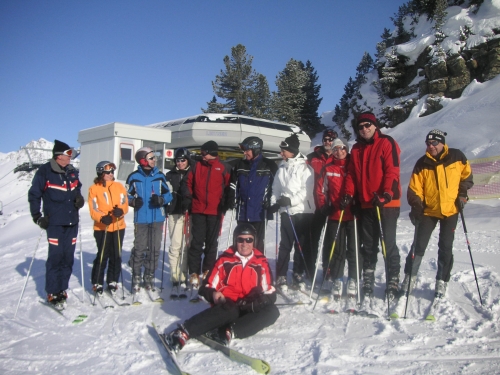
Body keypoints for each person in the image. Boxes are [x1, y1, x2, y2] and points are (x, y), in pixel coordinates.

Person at [164, 223, 279, 352]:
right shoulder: (225, 260)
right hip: (228, 307)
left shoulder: (260, 262)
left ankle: (228, 331)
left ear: (254, 241)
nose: (244, 244)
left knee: (273, 311)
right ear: (235, 241)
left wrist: (259, 302)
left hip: (249, 306)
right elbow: (206, 286)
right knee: (230, 310)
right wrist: (213, 294)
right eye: (240, 240)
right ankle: (183, 332)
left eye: (249, 240)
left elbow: (270, 291)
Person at [403, 129, 473, 299]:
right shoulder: (422, 163)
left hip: (451, 210)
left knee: (446, 246)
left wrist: (462, 194)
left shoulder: (457, 157)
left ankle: (442, 280)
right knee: (418, 246)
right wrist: (416, 207)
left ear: (442, 143)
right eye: (428, 143)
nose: (431, 146)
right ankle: (409, 277)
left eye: (434, 143)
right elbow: (414, 189)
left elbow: (467, 176)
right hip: (428, 211)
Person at [342, 112, 402, 300]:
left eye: (368, 125)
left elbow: (392, 171)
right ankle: (368, 276)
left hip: (387, 203)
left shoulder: (386, 142)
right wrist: (349, 194)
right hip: (367, 203)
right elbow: (351, 175)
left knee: (388, 243)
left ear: (375, 126)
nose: (365, 129)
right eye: (361, 126)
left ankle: (392, 278)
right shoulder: (357, 149)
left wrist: (386, 194)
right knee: (368, 244)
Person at [28, 140, 85, 305]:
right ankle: (52, 291)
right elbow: (34, 195)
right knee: (56, 257)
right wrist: (38, 217)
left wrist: (79, 199)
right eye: (68, 155)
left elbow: (77, 188)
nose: (70, 158)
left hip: (72, 221)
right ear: (58, 156)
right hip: (54, 223)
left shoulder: (71, 171)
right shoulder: (45, 171)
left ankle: (62, 289)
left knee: (68, 257)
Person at [181, 140, 231, 289]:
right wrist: (189, 198)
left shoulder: (223, 167)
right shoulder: (196, 166)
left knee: (211, 243)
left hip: (215, 211)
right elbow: (186, 183)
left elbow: (229, 187)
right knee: (196, 243)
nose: (202, 156)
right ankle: (194, 273)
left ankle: (208, 272)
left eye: (204, 153)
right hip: (197, 210)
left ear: (212, 153)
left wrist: (226, 201)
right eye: (201, 153)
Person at [315, 138, 362, 300]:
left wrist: (359, 204)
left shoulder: (353, 166)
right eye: (335, 149)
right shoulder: (328, 168)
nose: (339, 152)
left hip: (353, 215)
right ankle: (337, 278)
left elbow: (360, 186)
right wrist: (323, 206)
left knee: (354, 249)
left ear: (346, 149)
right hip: (336, 214)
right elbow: (321, 190)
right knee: (337, 249)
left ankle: (354, 279)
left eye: (342, 148)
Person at [269, 133, 315, 291]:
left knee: (300, 243)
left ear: (292, 150)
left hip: (302, 210)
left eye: (284, 150)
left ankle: (298, 272)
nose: (281, 153)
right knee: (285, 244)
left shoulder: (305, 167)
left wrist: (290, 200)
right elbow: (275, 188)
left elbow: (306, 191)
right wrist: (274, 202)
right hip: (286, 210)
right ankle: (281, 274)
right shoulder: (281, 167)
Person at [126, 147, 172, 291]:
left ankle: (149, 274)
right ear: (143, 160)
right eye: (151, 158)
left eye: (154, 157)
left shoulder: (160, 176)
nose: (155, 160)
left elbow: (169, 194)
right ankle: (136, 275)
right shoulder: (133, 177)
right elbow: (125, 195)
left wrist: (161, 199)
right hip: (141, 218)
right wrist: (132, 201)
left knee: (154, 248)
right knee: (139, 247)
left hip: (157, 218)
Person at [227, 136, 278, 253]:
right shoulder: (240, 165)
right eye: (244, 150)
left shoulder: (268, 165)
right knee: (241, 241)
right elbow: (233, 184)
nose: (245, 153)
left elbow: (276, 186)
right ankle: (240, 267)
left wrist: (271, 201)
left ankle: (257, 267)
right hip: (243, 211)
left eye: (247, 150)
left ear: (256, 150)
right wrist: (232, 198)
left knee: (257, 241)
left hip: (260, 211)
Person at [88, 161, 129, 295]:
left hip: (118, 226)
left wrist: (121, 211)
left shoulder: (119, 187)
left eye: (112, 172)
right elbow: (93, 209)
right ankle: (97, 281)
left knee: (116, 254)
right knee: (102, 255)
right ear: (101, 173)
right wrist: (101, 217)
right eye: (108, 172)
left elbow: (125, 203)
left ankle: (112, 280)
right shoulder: (94, 188)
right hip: (102, 227)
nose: (111, 174)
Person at [307, 129, 338, 266]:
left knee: (330, 239)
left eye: (330, 139)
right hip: (315, 204)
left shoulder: (339, 156)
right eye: (325, 139)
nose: (327, 142)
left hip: (332, 204)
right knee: (313, 236)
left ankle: (328, 268)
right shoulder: (313, 157)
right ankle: (310, 266)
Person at [165, 148, 194, 292]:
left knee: (186, 245)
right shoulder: (170, 175)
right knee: (175, 245)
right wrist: (165, 204)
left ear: (188, 160)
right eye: (177, 160)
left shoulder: (193, 172)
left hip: (188, 213)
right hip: (174, 213)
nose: (180, 163)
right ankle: (174, 275)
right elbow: (163, 191)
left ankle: (184, 273)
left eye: (183, 160)